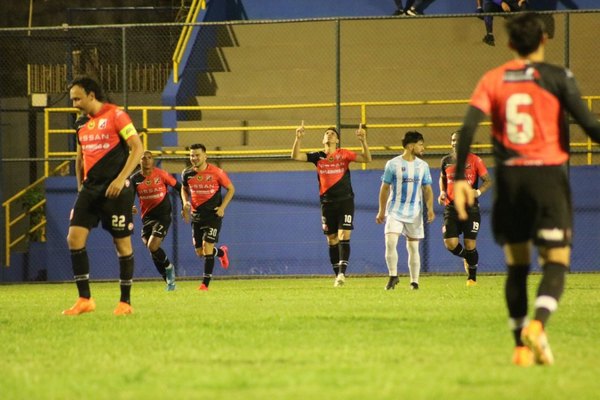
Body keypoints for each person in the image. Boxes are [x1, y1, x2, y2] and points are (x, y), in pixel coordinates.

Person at [453, 13, 600, 366]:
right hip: (548, 179)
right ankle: (538, 324)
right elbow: (590, 127)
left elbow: (469, 127)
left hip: (511, 181)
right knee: (556, 261)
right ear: (545, 40)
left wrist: (460, 177)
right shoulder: (558, 77)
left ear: (509, 44)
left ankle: (520, 348)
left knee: (516, 267)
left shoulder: (493, 79)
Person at [62, 76, 144, 316]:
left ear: (91, 95)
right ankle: (85, 299)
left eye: (77, 98)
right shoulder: (80, 124)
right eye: (72, 99)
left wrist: (121, 179)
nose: (74, 103)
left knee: (121, 243)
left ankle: (125, 302)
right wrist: (81, 187)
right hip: (90, 189)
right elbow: (80, 158)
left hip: (116, 190)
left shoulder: (117, 115)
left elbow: (137, 148)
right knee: (74, 238)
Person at [291, 122, 372, 287]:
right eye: (327, 133)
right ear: (323, 140)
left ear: (338, 140)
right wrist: (297, 139)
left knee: (344, 235)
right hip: (327, 203)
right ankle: (338, 276)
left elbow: (367, 158)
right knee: (332, 238)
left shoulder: (344, 154)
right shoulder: (318, 156)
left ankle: (342, 273)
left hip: (345, 201)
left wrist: (363, 141)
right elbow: (295, 156)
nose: (330, 134)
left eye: (333, 133)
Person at [376, 131, 434, 290]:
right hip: (394, 211)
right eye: (420, 144)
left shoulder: (423, 166)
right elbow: (384, 188)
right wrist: (381, 211)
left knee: (413, 247)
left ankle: (414, 282)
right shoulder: (392, 164)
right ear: (410, 146)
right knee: (390, 242)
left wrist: (430, 209)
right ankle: (393, 276)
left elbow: (427, 189)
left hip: (414, 213)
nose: (423, 147)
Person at [438, 131, 492, 286]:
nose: (455, 143)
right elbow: (442, 178)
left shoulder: (475, 160)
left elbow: (488, 180)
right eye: (453, 140)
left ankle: (472, 279)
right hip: (451, 207)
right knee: (450, 243)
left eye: (458, 140)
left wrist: (478, 191)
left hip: (470, 208)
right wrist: (442, 191)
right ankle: (467, 257)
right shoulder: (446, 161)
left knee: (470, 244)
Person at [181, 143, 233, 291]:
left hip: (213, 215)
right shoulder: (187, 173)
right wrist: (185, 203)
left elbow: (231, 189)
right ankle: (221, 252)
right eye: (192, 155)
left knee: (207, 246)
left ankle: (205, 284)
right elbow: (184, 189)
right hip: (196, 216)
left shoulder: (216, 172)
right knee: (200, 252)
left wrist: (222, 208)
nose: (194, 158)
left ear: (205, 156)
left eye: (197, 155)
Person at [130, 151, 182, 291]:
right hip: (147, 219)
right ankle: (169, 282)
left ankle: (169, 268)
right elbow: (127, 198)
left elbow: (180, 187)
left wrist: (185, 205)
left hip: (163, 216)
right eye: (143, 158)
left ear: (153, 160)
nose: (146, 160)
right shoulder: (134, 179)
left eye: (149, 157)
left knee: (153, 246)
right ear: (139, 161)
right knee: (152, 249)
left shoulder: (161, 174)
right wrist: (130, 207)